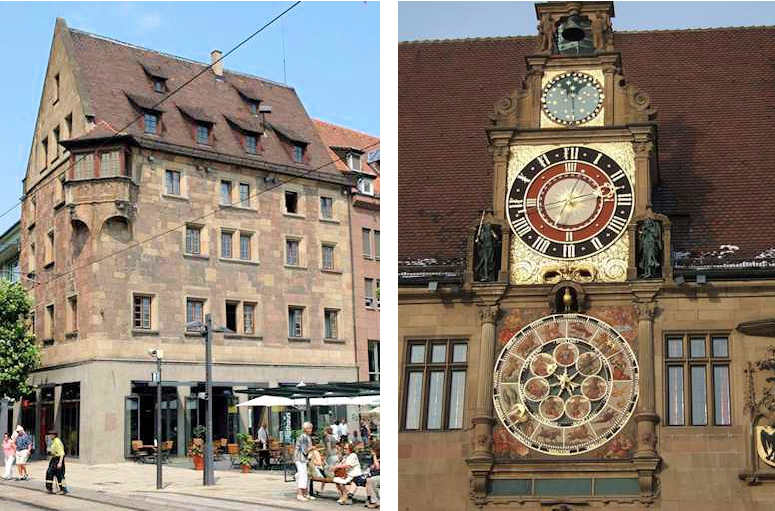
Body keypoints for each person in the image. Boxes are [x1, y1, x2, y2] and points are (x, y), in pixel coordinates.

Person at [294, 422, 315, 502]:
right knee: (302, 475)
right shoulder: (303, 437)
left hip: (302, 459)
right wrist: (312, 448)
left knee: (304, 475)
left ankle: (305, 493)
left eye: (311, 428)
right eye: (310, 428)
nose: (311, 430)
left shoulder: (306, 437)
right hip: (300, 458)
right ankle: (300, 494)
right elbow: (305, 450)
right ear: (306, 429)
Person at [45, 430, 68, 495]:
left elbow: (62, 453)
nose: (49, 436)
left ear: (54, 435)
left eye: (50, 435)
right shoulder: (53, 441)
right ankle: (49, 488)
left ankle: (63, 489)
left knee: (60, 475)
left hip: (58, 459)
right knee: (49, 472)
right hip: (54, 459)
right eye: (49, 435)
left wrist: (60, 462)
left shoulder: (57, 441)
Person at [364, 442, 380, 508]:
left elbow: (377, 467)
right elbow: (371, 467)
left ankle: (375, 501)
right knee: (369, 480)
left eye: (373, 451)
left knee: (371, 480)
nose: (371, 452)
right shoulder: (373, 458)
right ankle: (370, 499)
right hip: (374, 475)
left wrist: (374, 456)